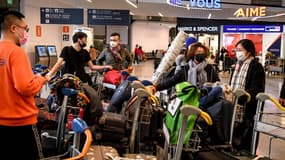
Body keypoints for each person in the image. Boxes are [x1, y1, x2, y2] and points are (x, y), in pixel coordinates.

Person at [0, 10, 48, 159]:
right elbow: (25, 87)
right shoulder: (16, 52)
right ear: (13, 28)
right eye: (25, 29)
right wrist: (41, 79)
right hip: (21, 124)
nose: (26, 33)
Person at [229, 39, 265, 153]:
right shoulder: (237, 66)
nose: (237, 52)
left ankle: (246, 151)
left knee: (246, 134)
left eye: (240, 50)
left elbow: (258, 89)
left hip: (248, 107)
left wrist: (244, 96)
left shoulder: (256, 66)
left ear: (249, 52)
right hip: (234, 104)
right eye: (236, 50)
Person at [46, 32, 112, 85]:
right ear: (79, 39)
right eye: (85, 39)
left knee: (85, 98)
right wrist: (50, 74)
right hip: (68, 79)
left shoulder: (85, 52)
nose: (86, 42)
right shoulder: (66, 49)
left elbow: (92, 66)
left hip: (81, 80)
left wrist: (105, 66)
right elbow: (59, 63)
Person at [154, 42, 220, 91]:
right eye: (198, 52)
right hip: (189, 98)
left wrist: (211, 86)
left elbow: (217, 82)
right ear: (193, 54)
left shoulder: (209, 68)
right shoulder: (185, 69)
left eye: (203, 52)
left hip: (206, 97)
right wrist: (156, 87)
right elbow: (172, 81)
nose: (201, 54)